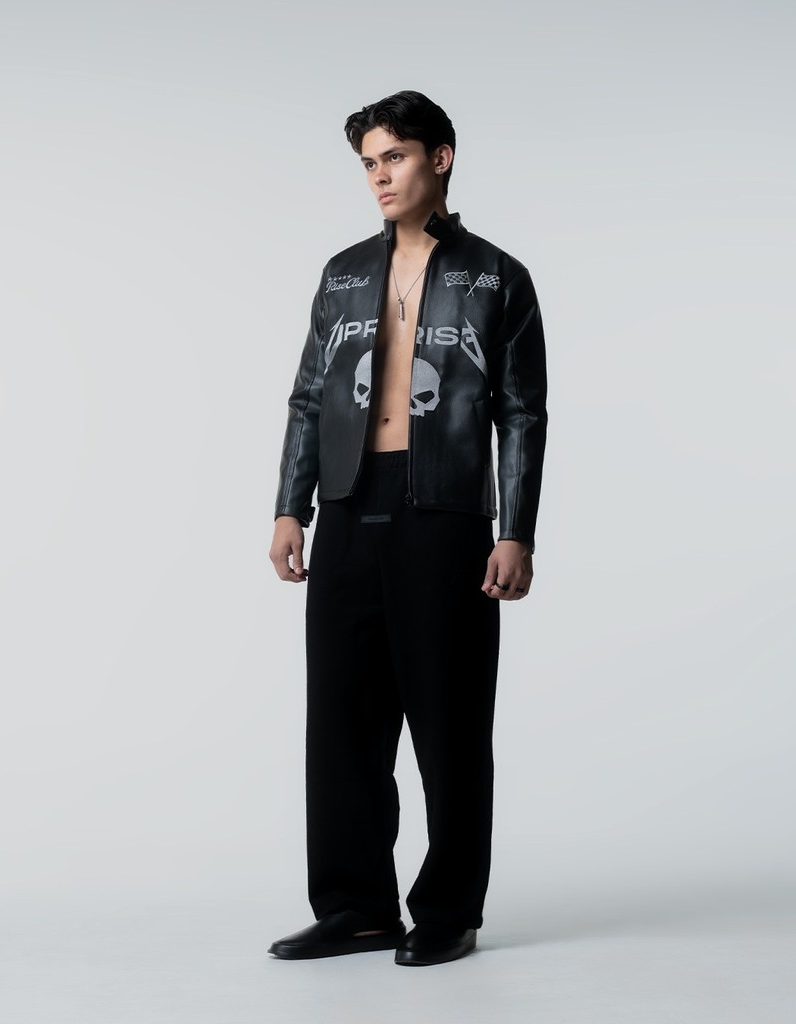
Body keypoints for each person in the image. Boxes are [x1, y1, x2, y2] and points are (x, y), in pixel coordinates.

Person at [267, 90, 548, 966]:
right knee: (342, 720)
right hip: (350, 503)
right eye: (369, 164)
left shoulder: (497, 277)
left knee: (449, 718)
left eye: (394, 157)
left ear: (441, 157)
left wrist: (515, 529)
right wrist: (290, 505)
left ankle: (449, 910)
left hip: (447, 509)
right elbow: (310, 397)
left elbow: (521, 411)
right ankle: (357, 907)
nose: (380, 177)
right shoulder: (344, 273)